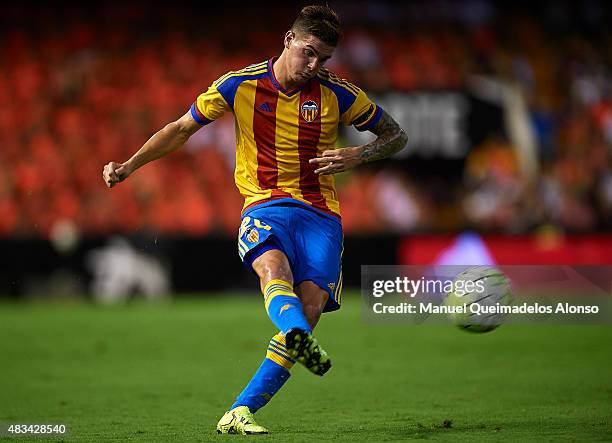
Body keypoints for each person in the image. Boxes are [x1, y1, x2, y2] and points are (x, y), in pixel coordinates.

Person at [102, 5, 407, 435]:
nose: (314, 65)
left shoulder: (339, 95)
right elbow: (180, 129)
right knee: (273, 270)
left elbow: (397, 136)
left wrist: (359, 153)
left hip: (322, 215)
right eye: (308, 52)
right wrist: (130, 166)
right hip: (263, 204)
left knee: (313, 305)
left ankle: (241, 409)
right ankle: (298, 333)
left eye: (324, 59)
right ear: (288, 40)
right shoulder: (239, 85)